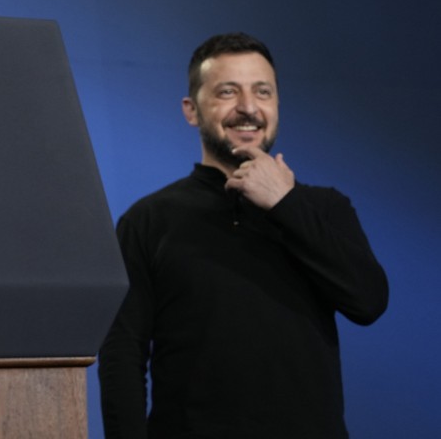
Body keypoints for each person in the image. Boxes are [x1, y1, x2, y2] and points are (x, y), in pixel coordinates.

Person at [98, 32, 388, 439]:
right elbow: (122, 355)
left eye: (262, 92)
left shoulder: (325, 208)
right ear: (192, 110)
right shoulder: (147, 221)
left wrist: (284, 204)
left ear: (277, 105)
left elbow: (369, 302)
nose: (248, 108)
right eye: (228, 92)